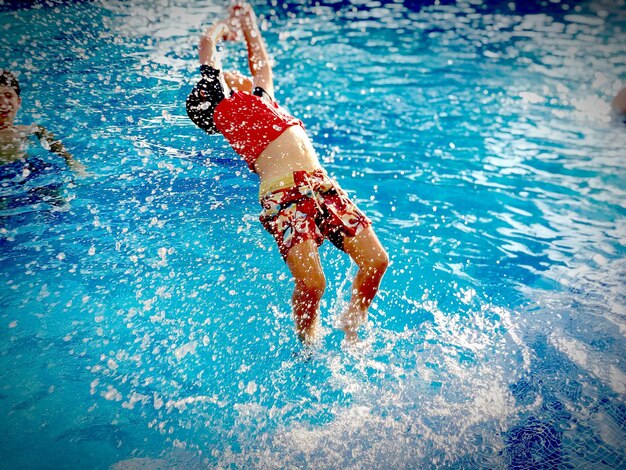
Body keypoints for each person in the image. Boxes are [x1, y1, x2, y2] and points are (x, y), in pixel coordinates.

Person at [185, 3, 388, 345]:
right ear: (214, 95)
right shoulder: (224, 107)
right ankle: (308, 342)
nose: (239, 76)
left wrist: (248, 22)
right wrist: (224, 28)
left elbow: (261, 62)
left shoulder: (262, 101)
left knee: (376, 262)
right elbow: (207, 44)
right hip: (284, 195)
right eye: (229, 77)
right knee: (313, 284)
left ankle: (352, 322)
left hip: (322, 186)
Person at [0, 68, 85, 175]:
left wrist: (70, 160)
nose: (3, 103)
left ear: (18, 101)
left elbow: (44, 135)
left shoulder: (25, 130)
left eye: (8, 95)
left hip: (26, 170)